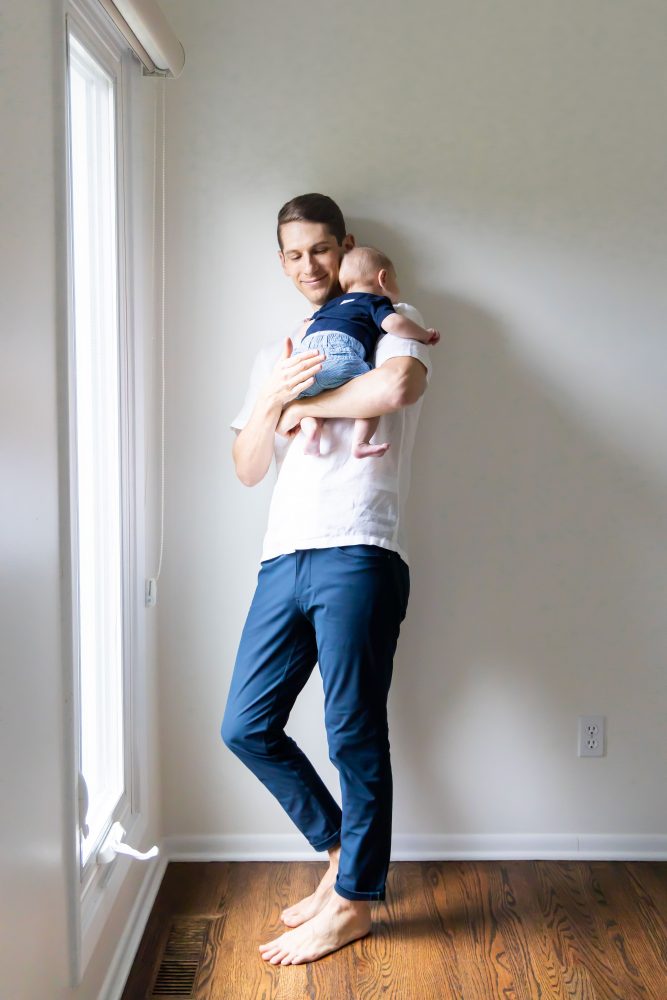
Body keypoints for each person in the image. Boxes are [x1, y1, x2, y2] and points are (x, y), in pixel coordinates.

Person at [221, 193, 435, 967]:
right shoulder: (272, 354)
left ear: (343, 246)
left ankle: (352, 903)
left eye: (318, 249)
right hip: (283, 555)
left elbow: (396, 390)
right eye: (292, 254)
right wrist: (275, 395)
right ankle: (343, 853)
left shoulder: (384, 308)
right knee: (245, 725)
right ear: (279, 260)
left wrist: (302, 402)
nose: (307, 265)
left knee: (350, 728)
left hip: (358, 548)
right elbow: (248, 467)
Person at [291, 244, 440, 458]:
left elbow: (308, 326)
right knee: (369, 400)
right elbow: (394, 324)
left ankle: (312, 430)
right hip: (341, 351)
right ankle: (360, 443)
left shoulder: (331, 305)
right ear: (383, 278)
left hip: (307, 359)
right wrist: (424, 335)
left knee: (305, 400)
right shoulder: (375, 301)